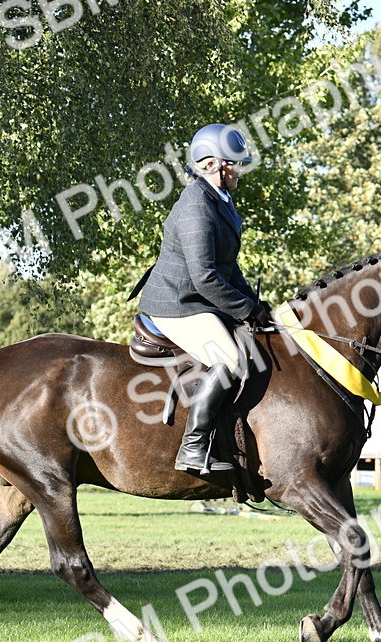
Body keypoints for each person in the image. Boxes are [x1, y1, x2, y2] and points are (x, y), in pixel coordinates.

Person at [136, 123, 271, 474]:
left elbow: (228, 268)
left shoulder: (221, 201)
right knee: (229, 359)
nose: (239, 170)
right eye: (233, 163)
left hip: (198, 298)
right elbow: (206, 278)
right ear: (211, 164)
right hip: (177, 304)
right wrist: (245, 309)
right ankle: (193, 449)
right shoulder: (196, 206)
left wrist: (255, 305)